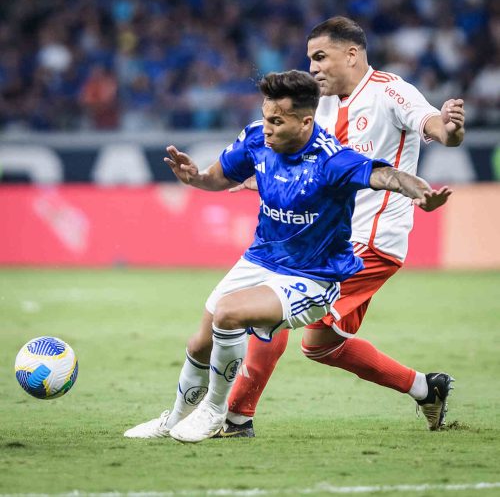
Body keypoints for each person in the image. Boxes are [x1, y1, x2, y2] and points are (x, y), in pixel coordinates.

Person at [124, 69, 451, 443]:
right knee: (201, 341)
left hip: (312, 276)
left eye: (276, 121)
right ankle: (174, 420)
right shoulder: (255, 139)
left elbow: (388, 176)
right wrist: (195, 177)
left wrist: (421, 192)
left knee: (230, 314)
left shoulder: (332, 160)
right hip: (260, 259)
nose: (266, 127)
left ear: (305, 121)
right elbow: (218, 177)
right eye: (265, 117)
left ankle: (217, 412)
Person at [217, 16, 465, 438]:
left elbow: (436, 127)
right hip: (326, 240)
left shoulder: (391, 92)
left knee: (272, 310)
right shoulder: (317, 105)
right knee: (321, 345)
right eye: (309, 58)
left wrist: (450, 128)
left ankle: (236, 417)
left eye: (320, 57)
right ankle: (427, 388)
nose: (312, 68)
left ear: (351, 54)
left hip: (371, 241)